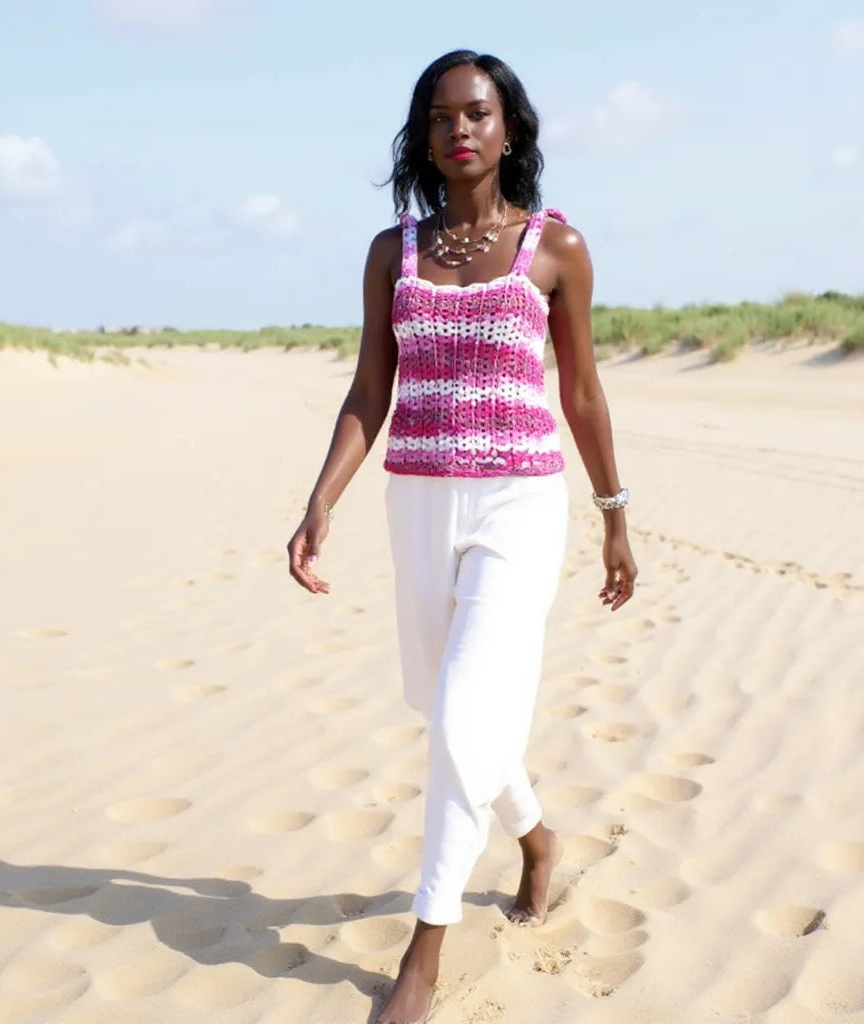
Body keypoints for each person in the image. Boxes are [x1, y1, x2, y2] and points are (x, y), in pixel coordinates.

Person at [287, 49, 637, 1024]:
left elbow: (579, 391)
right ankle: (534, 838)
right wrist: (322, 499)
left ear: (509, 128)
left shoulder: (555, 248)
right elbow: (370, 389)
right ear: (424, 136)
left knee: (460, 718)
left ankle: (423, 951)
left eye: (477, 113)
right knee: (439, 702)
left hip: (520, 504)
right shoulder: (389, 251)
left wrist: (613, 516)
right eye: (441, 117)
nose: (460, 130)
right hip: (418, 500)